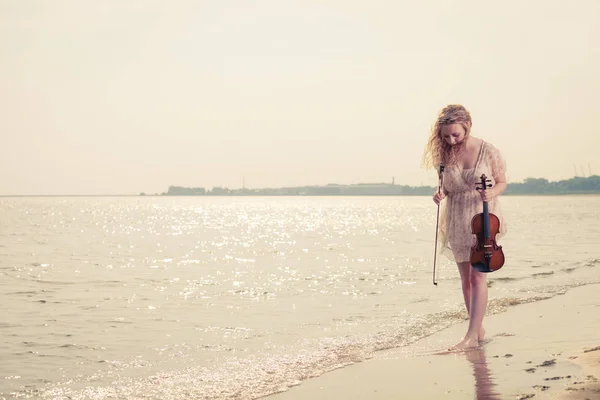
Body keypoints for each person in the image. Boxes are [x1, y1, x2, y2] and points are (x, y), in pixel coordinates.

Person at [422, 104, 507, 351]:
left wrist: (491, 191)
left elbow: (502, 182)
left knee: (478, 275)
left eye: (455, 134)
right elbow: (447, 186)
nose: (450, 140)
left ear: (467, 126)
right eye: (446, 136)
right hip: (457, 218)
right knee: (465, 279)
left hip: (483, 217)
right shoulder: (444, 153)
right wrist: (439, 193)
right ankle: (478, 329)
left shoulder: (488, 151)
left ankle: (470, 336)